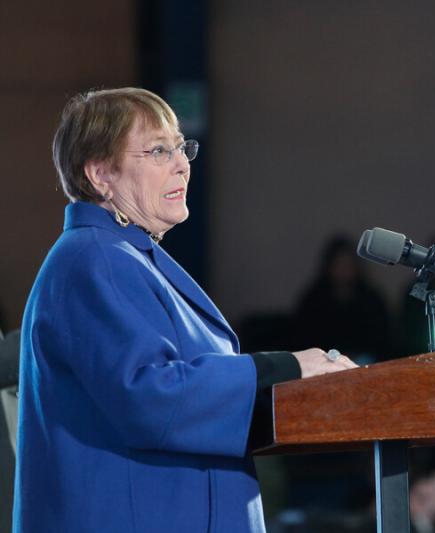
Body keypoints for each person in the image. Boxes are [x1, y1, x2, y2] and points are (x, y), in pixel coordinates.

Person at [13, 88, 357, 533]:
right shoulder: (94, 258)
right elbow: (147, 393)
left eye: (181, 147)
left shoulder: (125, 256)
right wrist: (285, 368)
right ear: (101, 174)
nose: (182, 164)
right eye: (159, 150)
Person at [293, 235, 392, 363]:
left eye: (348, 265)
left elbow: (383, 341)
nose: (343, 271)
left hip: (365, 365)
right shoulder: (313, 301)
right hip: (322, 366)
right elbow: (303, 340)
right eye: (339, 264)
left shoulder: (371, 300)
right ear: (328, 267)